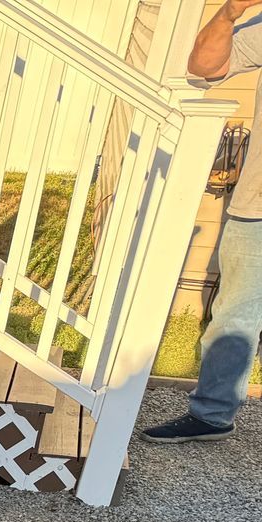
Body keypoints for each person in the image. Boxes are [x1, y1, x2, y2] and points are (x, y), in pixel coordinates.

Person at [144, 0, 262, 442]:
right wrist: (231, 12)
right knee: (235, 315)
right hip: (257, 204)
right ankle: (212, 414)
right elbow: (205, 67)